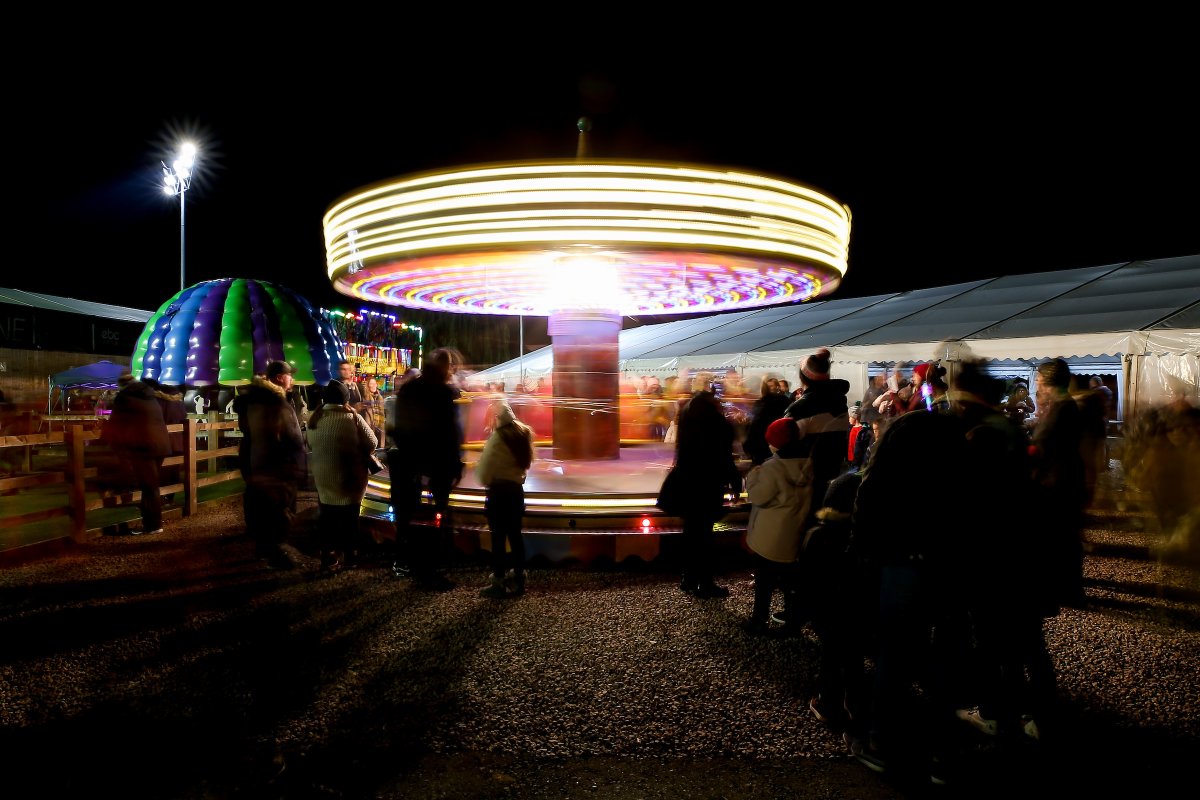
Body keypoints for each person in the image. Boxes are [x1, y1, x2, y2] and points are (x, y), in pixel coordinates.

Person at [387, 347, 464, 591]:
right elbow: (450, 433)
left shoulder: (409, 389)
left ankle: (403, 560)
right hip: (436, 465)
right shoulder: (443, 392)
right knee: (436, 516)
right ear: (446, 368)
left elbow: (398, 428)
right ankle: (429, 568)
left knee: (407, 513)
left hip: (409, 464)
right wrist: (455, 465)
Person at [233, 360, 308, 570]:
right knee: (280, 511)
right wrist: (299, 467)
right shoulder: (278, 405)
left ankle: (264, 549)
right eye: (289, 375)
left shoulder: (252, 402)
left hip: (256, 465)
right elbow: (293, 440)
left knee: (262, 509)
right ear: (278, 378)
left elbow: (249, 435)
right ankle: (277, 553)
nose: (292, 378)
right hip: (278, 467)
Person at [742, 417, 812, 634]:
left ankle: (758, 621)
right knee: (791, 582)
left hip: (770, 537)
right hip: (793, 533)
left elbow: (758, 496)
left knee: (765, 582)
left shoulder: (773, 468)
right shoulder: (808, 464)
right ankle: (792, 623)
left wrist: (753, 476)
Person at [672, 383, 742, 599]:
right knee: (705, 535)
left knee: (691, 532)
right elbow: (725, 457)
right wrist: (735, 483)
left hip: (687, 483)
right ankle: (705, 582)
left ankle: (688, 577)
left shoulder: (686, 421)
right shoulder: (719, 425)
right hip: (709, 485)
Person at [1030, 358, 1089, 608]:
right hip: (1066, 480)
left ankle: (1067, 591)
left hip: (1058, 483)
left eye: (1039, 381)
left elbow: (1044, 446)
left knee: (1060, 538)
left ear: (1047, 382)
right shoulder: (1065, 406)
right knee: (1065, 538)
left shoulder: (1063, 408)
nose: (1037, 386)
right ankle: (1069, 589)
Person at [306, 381, 378, 574]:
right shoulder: (351, 417)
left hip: (324, 478)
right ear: (346, 399)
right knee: (350, 519)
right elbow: (373, 442)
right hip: (350, 478)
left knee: (327, 518)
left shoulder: (314, 419)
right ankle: (350, 556)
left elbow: (311, 444)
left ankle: (328, 557)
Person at [475, 399, 536, 599]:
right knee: (515, 536)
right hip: (516, 492)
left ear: (496, 417)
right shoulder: (523, 434)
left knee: (498, 538)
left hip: (498, 494)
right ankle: (519, 577)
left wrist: (486, 480)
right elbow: (525, 465)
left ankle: (498, 581)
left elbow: (484, 471)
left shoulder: (497, 439)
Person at [101, 373, 171, 536]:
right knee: (152, 485)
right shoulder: (149, 395)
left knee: (149, 487)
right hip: (160, 445)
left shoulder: (124, 397)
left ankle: (153, 525)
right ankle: (152, 523)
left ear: (122, 385)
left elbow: (115, 423)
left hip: (143, 447)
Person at [742, 374, 792, 466]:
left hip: (762, 448)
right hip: (782, 447)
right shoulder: (785, 401)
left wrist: (748, 447)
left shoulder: (761, 403)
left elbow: (754, 427)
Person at [362, 376, 387, 447]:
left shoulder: (380, 397)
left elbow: (382, 412)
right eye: (371, 384)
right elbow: (367, 412)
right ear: (368, 386)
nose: (373, 386)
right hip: (369, 423)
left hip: (380, 423)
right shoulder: (365, 397)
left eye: (374, 383)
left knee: (381, 442)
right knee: (371, 442)